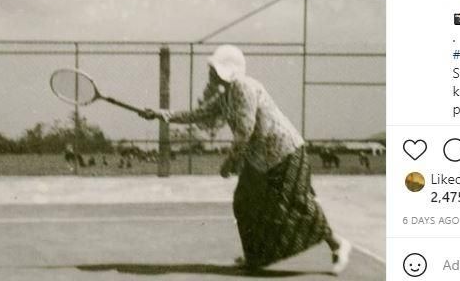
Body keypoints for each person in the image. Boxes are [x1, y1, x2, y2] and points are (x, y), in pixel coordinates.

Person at [139, 45, 351, 274]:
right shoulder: (225, 95)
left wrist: (230, 162)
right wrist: (160, 114)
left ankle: (338, 244)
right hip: (261, 159)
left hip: (286, 153)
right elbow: (196, 114)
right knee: (245, 203)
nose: (210, 73)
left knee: (297, 205)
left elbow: (245, 132)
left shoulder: (243, 87)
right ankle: (256, 258)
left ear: (225, 72)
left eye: (214, 69)